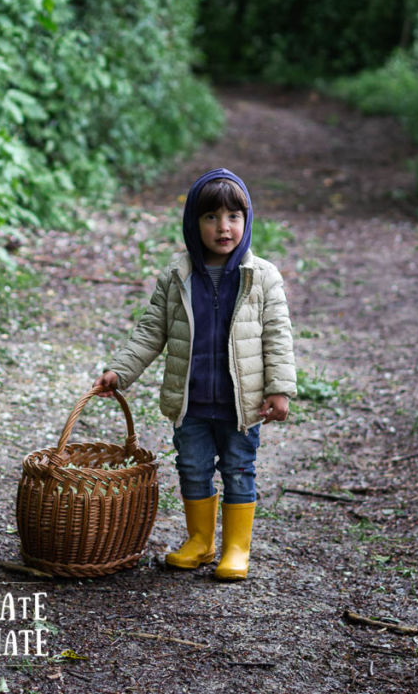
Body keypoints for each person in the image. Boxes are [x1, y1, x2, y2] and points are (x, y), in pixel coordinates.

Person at [94, 168, 296, 581]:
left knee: (239, 468)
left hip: (242, 404)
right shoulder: (177, 274)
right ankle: (201, 541)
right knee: (192, 467)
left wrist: (279, 389)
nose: (223, 227)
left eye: (233, 217)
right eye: (211, 217)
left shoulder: (261, 277)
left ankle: (236, 548)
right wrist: (120, 371)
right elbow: (152, 329)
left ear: (247, 220)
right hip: (192, 401)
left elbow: (278, 337)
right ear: (193, 223)